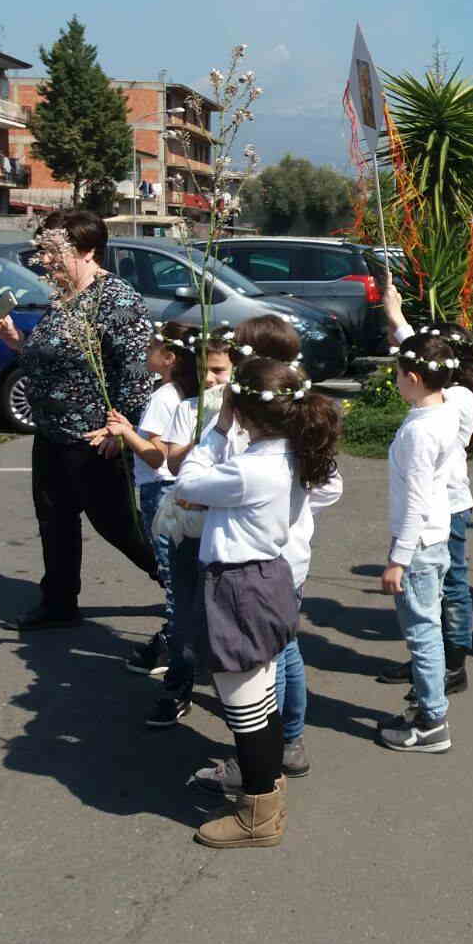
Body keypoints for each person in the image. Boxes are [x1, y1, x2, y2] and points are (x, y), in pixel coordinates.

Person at [174, 357, 340, 849]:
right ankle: (265, 785)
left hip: (239, 587)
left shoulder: (251, 469)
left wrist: (216, 429)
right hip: (267, 580)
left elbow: (185, 481)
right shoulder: (292, 454)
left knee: (244, 704)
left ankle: (258, 813)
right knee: (259, 698)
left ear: (243, 411)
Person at [0, 210, 157, 630]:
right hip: (51, 433)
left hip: (94, 438)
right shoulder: (63, 297)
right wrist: (16, 344)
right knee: (55, 519)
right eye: (41, 251)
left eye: (50, 252)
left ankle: (185, 587)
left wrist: (123, 432)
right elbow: (54, 364)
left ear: (85, 250)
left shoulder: (117, 299)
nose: (43, 261)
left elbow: (138, 374)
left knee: (120, 526)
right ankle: (59, 603)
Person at [378, 286, 473, 695]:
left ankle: (451, 664)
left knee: (451, 586)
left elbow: (419, 497)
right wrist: (396, 317)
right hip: (436, 508)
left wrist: (401, 324)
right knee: (433, 596)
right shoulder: (443, 393)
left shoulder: (456, 397)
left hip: (445, 506)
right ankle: (431, 659)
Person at [89, 321, 198, 675]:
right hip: (180, 490)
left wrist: (124, 434)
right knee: (182, 570)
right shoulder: (185, 393)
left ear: (168, 357)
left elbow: (156, 456)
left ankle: (173, 649)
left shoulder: (162, 397)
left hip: (159, 490)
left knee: (171, 574)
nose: (146, 353)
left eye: (151, 348)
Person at [143, 331, 235, 729]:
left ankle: (234, 689)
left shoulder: (244, 414)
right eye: (204, 372)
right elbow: (176, 465)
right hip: (190, 527)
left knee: (224, 612)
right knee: (182, 608)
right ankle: (178, 686)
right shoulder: (189, 408)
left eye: (219, 371)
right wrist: (203, 432)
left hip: (229, 530)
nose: (211, 380)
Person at [379, 332, 465, 750]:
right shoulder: (444, 410)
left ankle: (433, 721)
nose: (395, 380)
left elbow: (415, 501)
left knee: (422, 632)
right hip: (435, 536)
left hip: (419, 543)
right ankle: (428, 709)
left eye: (397, 374)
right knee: (426, 626)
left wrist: (398, 557)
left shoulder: (420, 431)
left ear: (412, 377)